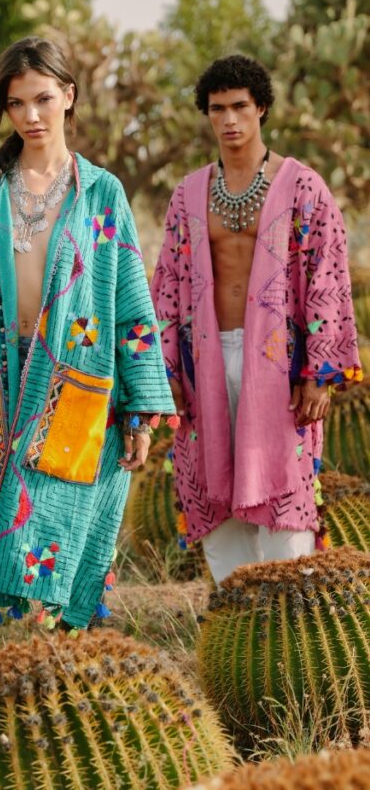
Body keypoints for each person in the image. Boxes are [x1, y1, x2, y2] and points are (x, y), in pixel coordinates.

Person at [0, 36, 175, 686]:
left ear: (68, 98)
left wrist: (139, 411)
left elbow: (130, 306)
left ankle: (53, 702)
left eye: (43, 99)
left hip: (68, 395)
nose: (30, 115)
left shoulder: (100, 192)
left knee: (56, 536)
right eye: (16, 102)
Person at [151, 55, 363, 584]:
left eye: (240, 107)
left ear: (261, 108)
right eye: (217, 108)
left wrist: (319, 374)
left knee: (285, 485)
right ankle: (237, 617)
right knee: (211, 485)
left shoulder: (304, 187)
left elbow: (327, 278)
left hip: (279, 363)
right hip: (206, 360)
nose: (229, 120)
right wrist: (167, 375)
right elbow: (169, 287)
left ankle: (289, 619)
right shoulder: (189, 194)